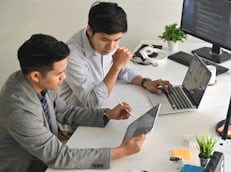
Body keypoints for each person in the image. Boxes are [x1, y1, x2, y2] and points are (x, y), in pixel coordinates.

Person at [0, 34, 145, 172]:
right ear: (36, 76)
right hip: (29, 167)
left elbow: (65, 111)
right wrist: (122, 151)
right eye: (59, 74)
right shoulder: (19, 111)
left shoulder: (31, 80)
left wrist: (107, 113)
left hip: (44, 155)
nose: (64, 77)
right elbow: (59, 156)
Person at [58, 2, 173, 108]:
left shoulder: (108, 43)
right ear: (89, 30)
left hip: (104, 105)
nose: (111, 47)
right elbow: (92, 102)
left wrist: (145, 82)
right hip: (78, 121)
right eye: (104, 39)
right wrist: (116, 66)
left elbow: (122, 69)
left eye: (117, 40)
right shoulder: (72, 55)